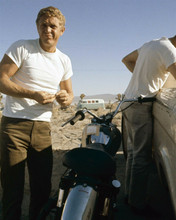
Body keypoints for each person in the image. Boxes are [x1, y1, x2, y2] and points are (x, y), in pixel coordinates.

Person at [0, 6, 74, 220]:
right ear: (37, 27)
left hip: (42, 129)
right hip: (14, 126)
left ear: (62, 30)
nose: (48, 30)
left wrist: (65, 99)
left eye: (53, 26)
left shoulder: (64, 60)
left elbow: (69, 94)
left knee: (42, 188)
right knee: (12, 188)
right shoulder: (22, 47)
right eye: (44, 25)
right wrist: (33, 95)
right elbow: (2, 80)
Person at [122, 36, 176, 215]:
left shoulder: (152, 44)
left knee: (133, 153)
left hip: (129, 101)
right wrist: (148, 85)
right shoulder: (169, 50)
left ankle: (129, 195)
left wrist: (146, 80)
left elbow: (126, 59)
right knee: (142, 156)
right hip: (141, 105)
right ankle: (137, 204)